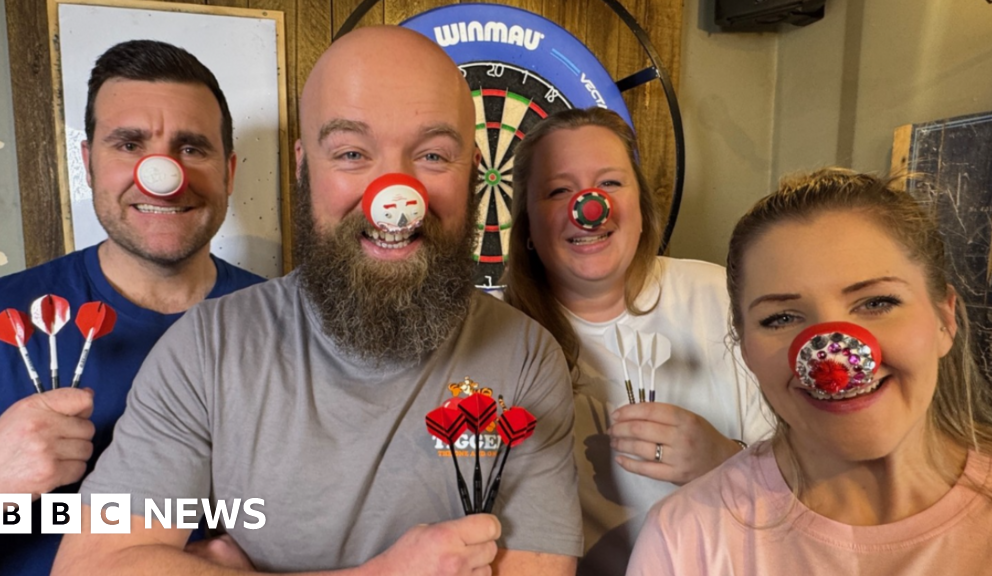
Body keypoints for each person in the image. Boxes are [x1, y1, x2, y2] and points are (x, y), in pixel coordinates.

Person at [52, 26, 581, 575]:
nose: (394, 197)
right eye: (352, 153)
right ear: (304, 165)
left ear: (472, 167)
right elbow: (91, 567)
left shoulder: (525, 359)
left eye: (432, 155)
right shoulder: (205, 349)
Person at [0, 40, 263, 575]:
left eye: (192, 148)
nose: (162, 176)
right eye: (129, 145)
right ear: (88, 163)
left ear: (229, 171)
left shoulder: (290, 325)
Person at [626, 168, 992, 575]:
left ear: (944, 320)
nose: (833, 361)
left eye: (877, 303)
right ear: (744, 348)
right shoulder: (684, 539)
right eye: (781, 318)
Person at [502, 107, 770, 575]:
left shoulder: (725, 298)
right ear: (527, 225)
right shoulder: (499, 341)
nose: (590, 208)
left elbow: (816, 480)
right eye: (559, 190)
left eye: (609, 183)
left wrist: (725, 461)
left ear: (642, 208)